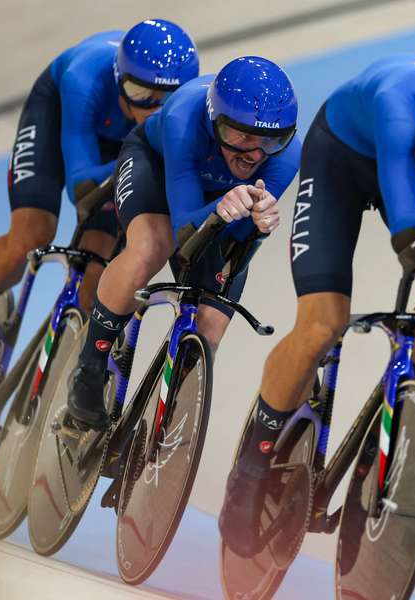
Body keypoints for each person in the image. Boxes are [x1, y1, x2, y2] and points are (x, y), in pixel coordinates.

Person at [218, 45, 415, 557]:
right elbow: (409, 236)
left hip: (414, 169)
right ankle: (251, 466)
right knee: (323, 324)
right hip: (341, 159)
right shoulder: (397, 103)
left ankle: (405, 400)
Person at [0, 19, 199, 401]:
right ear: (119, 80)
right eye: (141, 93)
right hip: (63, 124)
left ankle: (64, 375)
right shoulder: (84, 77)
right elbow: (84, 188)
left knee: (98, 265)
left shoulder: (172, 112)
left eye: (166, 99)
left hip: (119, 151)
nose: (152, 110)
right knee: (32, 234)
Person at [65, 56, 301, 430]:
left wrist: (258, 227)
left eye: (271, 139)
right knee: (150, 249)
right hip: (158, 171)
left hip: (218, 203)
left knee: (211, 320)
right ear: (213, 122)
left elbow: (235, 250)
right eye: (241, 136)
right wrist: (222, 209)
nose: (255, 153)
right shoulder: (182, 119)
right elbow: (185, 231)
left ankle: (163, 432)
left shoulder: (285, 157)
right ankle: (89, 369)